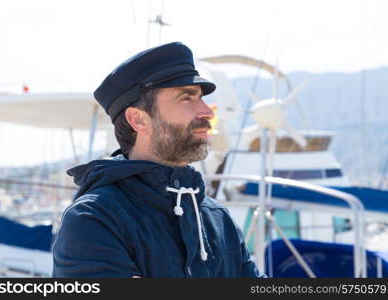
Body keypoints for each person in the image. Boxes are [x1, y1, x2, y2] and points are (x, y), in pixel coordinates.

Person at [52, 42, 265, 278]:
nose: (208, 111)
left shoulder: (218, 218)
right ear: (138, 119)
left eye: (201, 98)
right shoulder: (94, 219)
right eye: (187, 98)